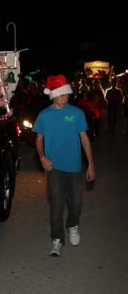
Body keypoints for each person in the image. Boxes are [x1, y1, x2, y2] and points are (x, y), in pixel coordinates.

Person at [32, 75, 95, 257]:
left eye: (67, 94)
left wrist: (90, 164)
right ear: (53, 95)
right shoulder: (44, 115)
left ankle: (73, 224)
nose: (65, 98)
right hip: (54, 168)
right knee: (57, 206)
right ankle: (57, 239)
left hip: (74, 167)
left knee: (75, 203)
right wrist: (42, 157)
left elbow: (84, 138)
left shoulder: (76, 113)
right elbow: (38, 139)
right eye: (62, 95)